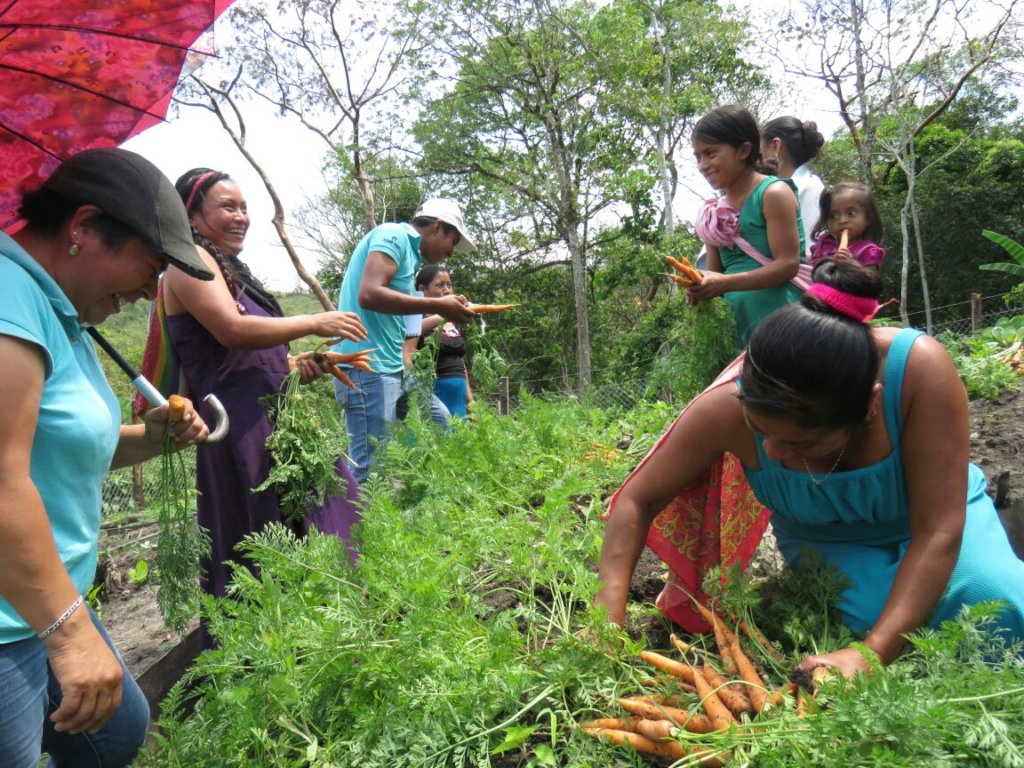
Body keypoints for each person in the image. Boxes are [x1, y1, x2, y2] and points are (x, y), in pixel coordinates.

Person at [596, 259, 1024, 679]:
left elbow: (938, 531)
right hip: (828, 547)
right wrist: (608, 617)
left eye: (802, 443)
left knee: (999, 605)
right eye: (761, 432)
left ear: (869, 407)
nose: (776, 453)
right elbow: (638, 497)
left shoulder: (918, 373)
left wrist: (869, 656)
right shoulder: (727, 407)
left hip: (939, 528)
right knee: (877, 619)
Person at [0, 148, 212, 767]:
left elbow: (55, 448)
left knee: (116, 731)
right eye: (149, 267)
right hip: (13, 623)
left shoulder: (61, 312)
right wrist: (69, 636)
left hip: (39, 605)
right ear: (84, 228)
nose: (151, 292)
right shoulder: (10, 301)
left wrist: (153, 438)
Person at [145, 167, 368, 649]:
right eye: (228, 206)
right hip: (240, 427)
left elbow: (247, 355)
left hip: (277, 419)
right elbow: (231, 331)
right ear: (193, 216)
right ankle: (263, 656)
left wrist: (297, 363)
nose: (242, 216)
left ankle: (327, 634)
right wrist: (314, 320)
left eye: (244, 207)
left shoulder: (230, 271)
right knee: (265, 538)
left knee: (326, 513)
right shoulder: (187, 265)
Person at [333, 199, 478, 483]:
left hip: (394, 369)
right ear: (437, 227)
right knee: (370, 467)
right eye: (453, 239)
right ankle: (356, 526)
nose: (451, 252)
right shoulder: (394, 235)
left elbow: (403, 330)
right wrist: (440, 307)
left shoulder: (410, 260)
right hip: (367, 367)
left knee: (443, 422)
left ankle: (428, 493)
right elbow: (369, 294)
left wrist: (445, 313)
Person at [687, 104, 805, 348]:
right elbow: (714, 275)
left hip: (785, 326)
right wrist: (699, 287)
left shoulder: (773, 193)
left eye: (711, 153)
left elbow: (788, 264)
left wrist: (724, 282)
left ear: (743, 150)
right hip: (737, 331)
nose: (703, 165)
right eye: (698, 157)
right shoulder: (712, 212)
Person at [412, 265, 474, 422]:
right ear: (422, 289)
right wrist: (441, 316)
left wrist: (470, 399)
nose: (447, 290)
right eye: (440, 285)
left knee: (458, 440)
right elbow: (407, 342)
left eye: (449, 285)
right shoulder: (415, 317)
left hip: (458, 395)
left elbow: (460, 362)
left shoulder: (454, 321)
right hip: (434, 391)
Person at [760, 116, 827, 255]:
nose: (758, 158)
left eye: (760, 150)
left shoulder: (810, 188)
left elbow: (810, 251)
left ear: (776, 145)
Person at [809, 181, 886, 270]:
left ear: (868, 218)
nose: (842, 221)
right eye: (833, 216)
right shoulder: (823, 244)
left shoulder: (867, 251)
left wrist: (851, 265)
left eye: (851, 213)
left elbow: (870, 282)